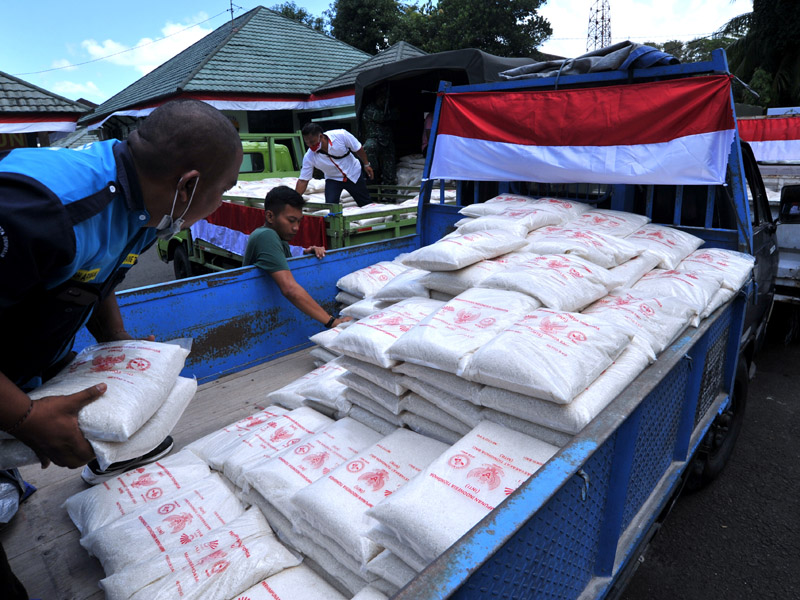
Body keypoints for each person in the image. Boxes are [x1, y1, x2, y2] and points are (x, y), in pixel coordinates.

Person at [0, 99, 242, 598]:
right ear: (190, 183)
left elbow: (99, 276)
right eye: (222, 193)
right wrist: (26, 417)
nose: (219, 206)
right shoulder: (41, 208)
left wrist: (118, 344)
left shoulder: (144, 204)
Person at [244, 186, 351, 329]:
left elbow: (279, 264)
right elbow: (289, 288)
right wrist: (332, 322)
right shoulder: (266, 236)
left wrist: (304, 257)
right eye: (291, 220)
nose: (296, 227)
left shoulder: (279, 239)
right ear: (270, 216)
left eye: (299, 221)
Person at [295, 123, 374, 207]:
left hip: (353, 173)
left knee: (365, 203)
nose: (310, 146)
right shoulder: (309, 157)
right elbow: (303, 180)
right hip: (333, 179)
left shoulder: (341, 135)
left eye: (312, 142)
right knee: (331, 206)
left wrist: (366, 164)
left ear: (321, 137)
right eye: (307, 143)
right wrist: (294, 199)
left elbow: (358, 148)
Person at [361, 86, 399, 185]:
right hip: (374, 140)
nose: (383, 101)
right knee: (369, 147)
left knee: (390, 172)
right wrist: (389, 111)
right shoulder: (370, 109)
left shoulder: (390, 108)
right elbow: (381, 117)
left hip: (386, 141)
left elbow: (396, 115)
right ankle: (373, 175)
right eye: (382, 98)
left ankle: (389, 195)